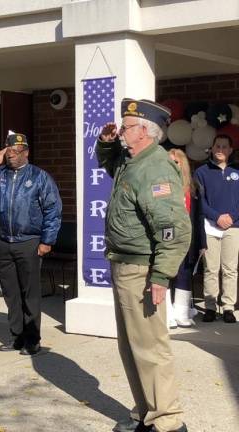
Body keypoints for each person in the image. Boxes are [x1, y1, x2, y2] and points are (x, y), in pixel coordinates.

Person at [98, 99, 191, 432]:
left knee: (150, 346)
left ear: (146, 132)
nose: (121, 129)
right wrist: (107, 143)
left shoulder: (155, 167)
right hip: (124, 265)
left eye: (127, 125)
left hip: (142, 269)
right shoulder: (132, 160)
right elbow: (110, 166)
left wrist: (162, 275)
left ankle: (167, 420)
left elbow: (173, 229)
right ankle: (146, 413)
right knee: (132, 346)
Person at [0, 132, 61, 355]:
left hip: (30, 242)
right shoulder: (2, 175)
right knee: (11, 292)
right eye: (8, 152)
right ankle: (16, 337)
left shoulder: (39, 177)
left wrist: (47, 241)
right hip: (5, 241)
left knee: (30, 293)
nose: (10, 157)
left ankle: (32, 340)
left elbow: (53, 210)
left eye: (15, 153)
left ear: (26, 152)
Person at [193, 134, 239, 324]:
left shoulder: (237, 171)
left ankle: (228, 307)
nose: (220, 149)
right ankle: (210, 306)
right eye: (217, 146)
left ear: (230, 150)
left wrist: (231, 217)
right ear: (211, 149)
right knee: (211, 268)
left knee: (230, 269)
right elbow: (199, 201)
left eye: (224, 146)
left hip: (234, 227)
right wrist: (216, 216)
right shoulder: (202, 172)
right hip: (210, 226)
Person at [165, 149, 205, 328]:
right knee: (165, 275)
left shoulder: (193, 189)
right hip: (166, 240)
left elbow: (199, 217)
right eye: (169, 162)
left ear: (183, 165)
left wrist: (202, 243)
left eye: (176, 162)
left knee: (184, 274)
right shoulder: (160, 186)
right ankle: (166, 315)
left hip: (188, 240)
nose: (173, 166)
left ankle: (181, 313)